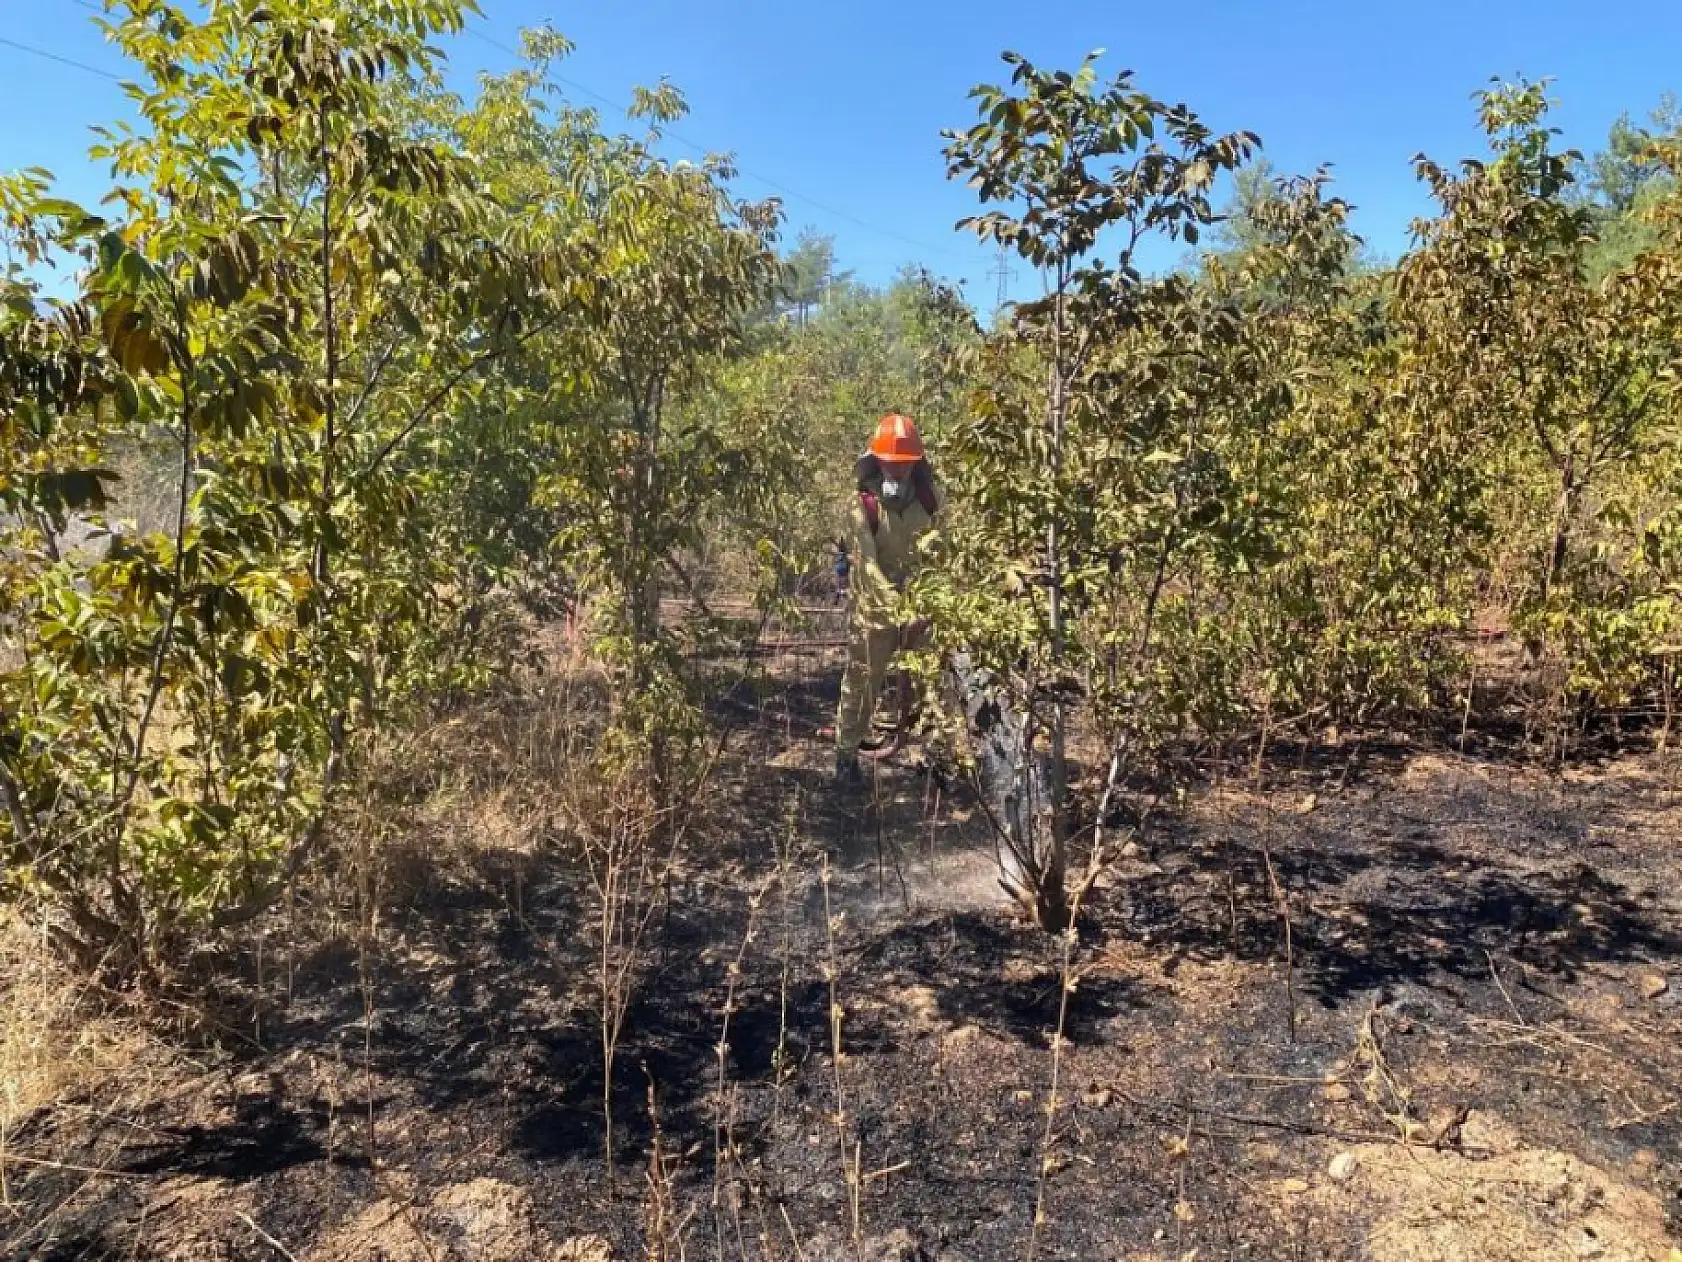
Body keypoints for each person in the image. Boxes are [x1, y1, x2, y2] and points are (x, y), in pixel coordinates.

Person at [835, 412, 940, 787]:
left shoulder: (931, 500)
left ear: (915, 463)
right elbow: (865, 566)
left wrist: (924, 609)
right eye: (890, 463)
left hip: (924, 612)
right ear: (876, 461)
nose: (896, 470)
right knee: (861, 684)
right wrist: (898, 611)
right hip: (873, 613)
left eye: (904, 464)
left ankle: (938, 759)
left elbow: (943, 557)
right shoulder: (861, 505)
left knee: (934, 685)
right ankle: (845, 760)